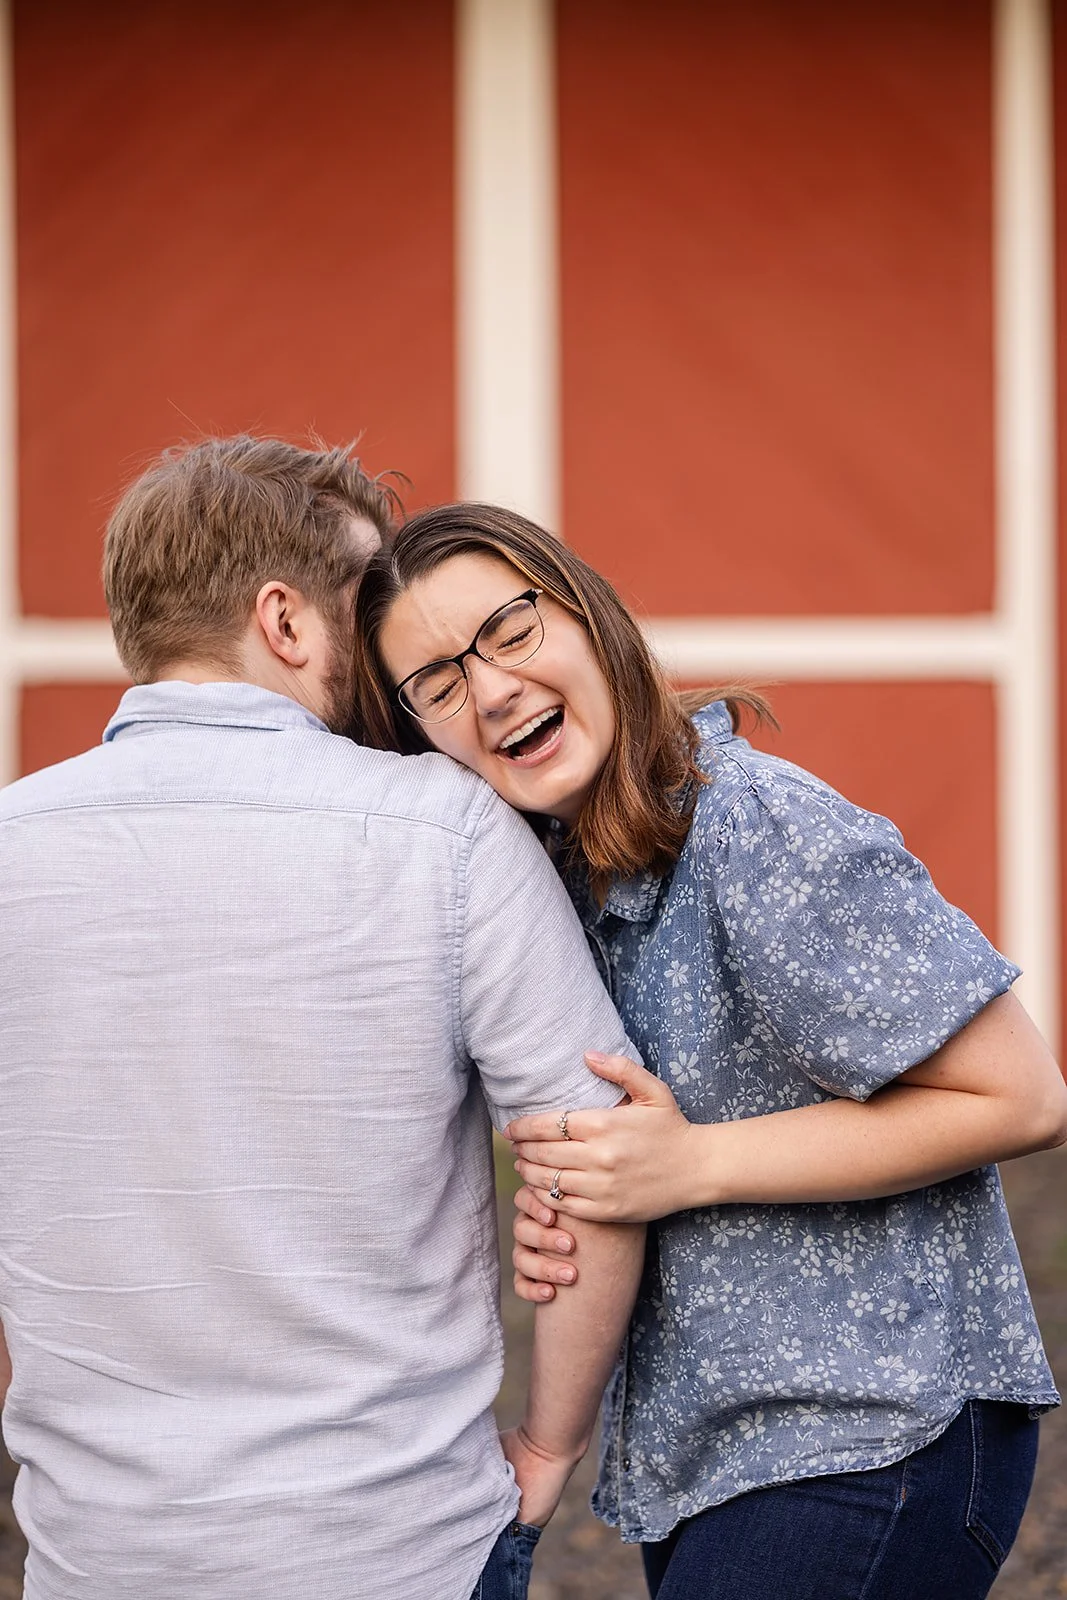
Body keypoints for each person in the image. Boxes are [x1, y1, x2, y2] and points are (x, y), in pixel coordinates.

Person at [351, 500, 1067, 1600]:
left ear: (588, 617)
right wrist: (584, 1196)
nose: (489, 689)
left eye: (509, 630)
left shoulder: (756, 829)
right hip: (727, 1458)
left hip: (875, 1436)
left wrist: (690, 1164)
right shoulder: (566, 879)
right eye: (438, 683)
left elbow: (1019, 1096)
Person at [0, 438, 647, 1600]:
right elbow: (594, 1165)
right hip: (401, 1548)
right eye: (366, 603)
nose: (393, 657)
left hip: (100, 1557)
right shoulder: (447, 830)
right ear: (285, 621)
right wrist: (551, 1443)